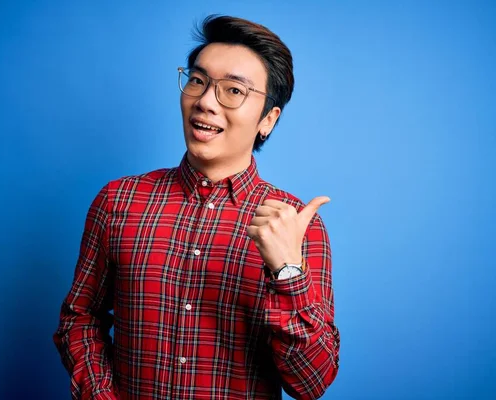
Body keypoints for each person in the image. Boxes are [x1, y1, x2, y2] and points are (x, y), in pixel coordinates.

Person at [54, 15, 340, 400]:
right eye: (197, 80)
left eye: (233, 91)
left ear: (268, 120)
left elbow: (311, 383)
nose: (205, 102)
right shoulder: (118, 201)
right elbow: (79, 319)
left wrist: (287, 271)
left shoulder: (293, 225)